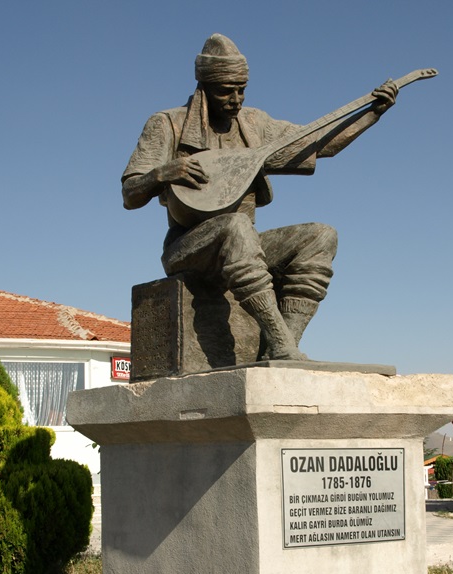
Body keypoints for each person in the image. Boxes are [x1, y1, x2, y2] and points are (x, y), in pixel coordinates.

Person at [122, 33, 398, 361]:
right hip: (188, 249)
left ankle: (281, 347)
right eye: (226, 90)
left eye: (242, 89)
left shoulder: (254, 124)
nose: (235, 99)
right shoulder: (167, 123)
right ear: (203, 87)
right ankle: (280, 339)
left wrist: (371, 114)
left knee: (321, 235)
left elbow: (319, 143)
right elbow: (130, 193)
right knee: (235, 225)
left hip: (245, 247)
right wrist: (161, 174)